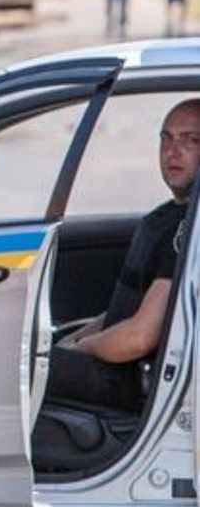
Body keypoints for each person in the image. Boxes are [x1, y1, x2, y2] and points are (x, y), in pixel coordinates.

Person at [49, 100, 200, 411]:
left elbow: (138, 338)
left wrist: (81, 348)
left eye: (191, 141)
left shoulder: (189, 230)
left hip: (132, 382)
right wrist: (72, 340)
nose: (172, 152)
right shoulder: (162, 219)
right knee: (36, 348)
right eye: (166, 139)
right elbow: (125, 311)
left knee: (11, 372)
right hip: (117, 365)